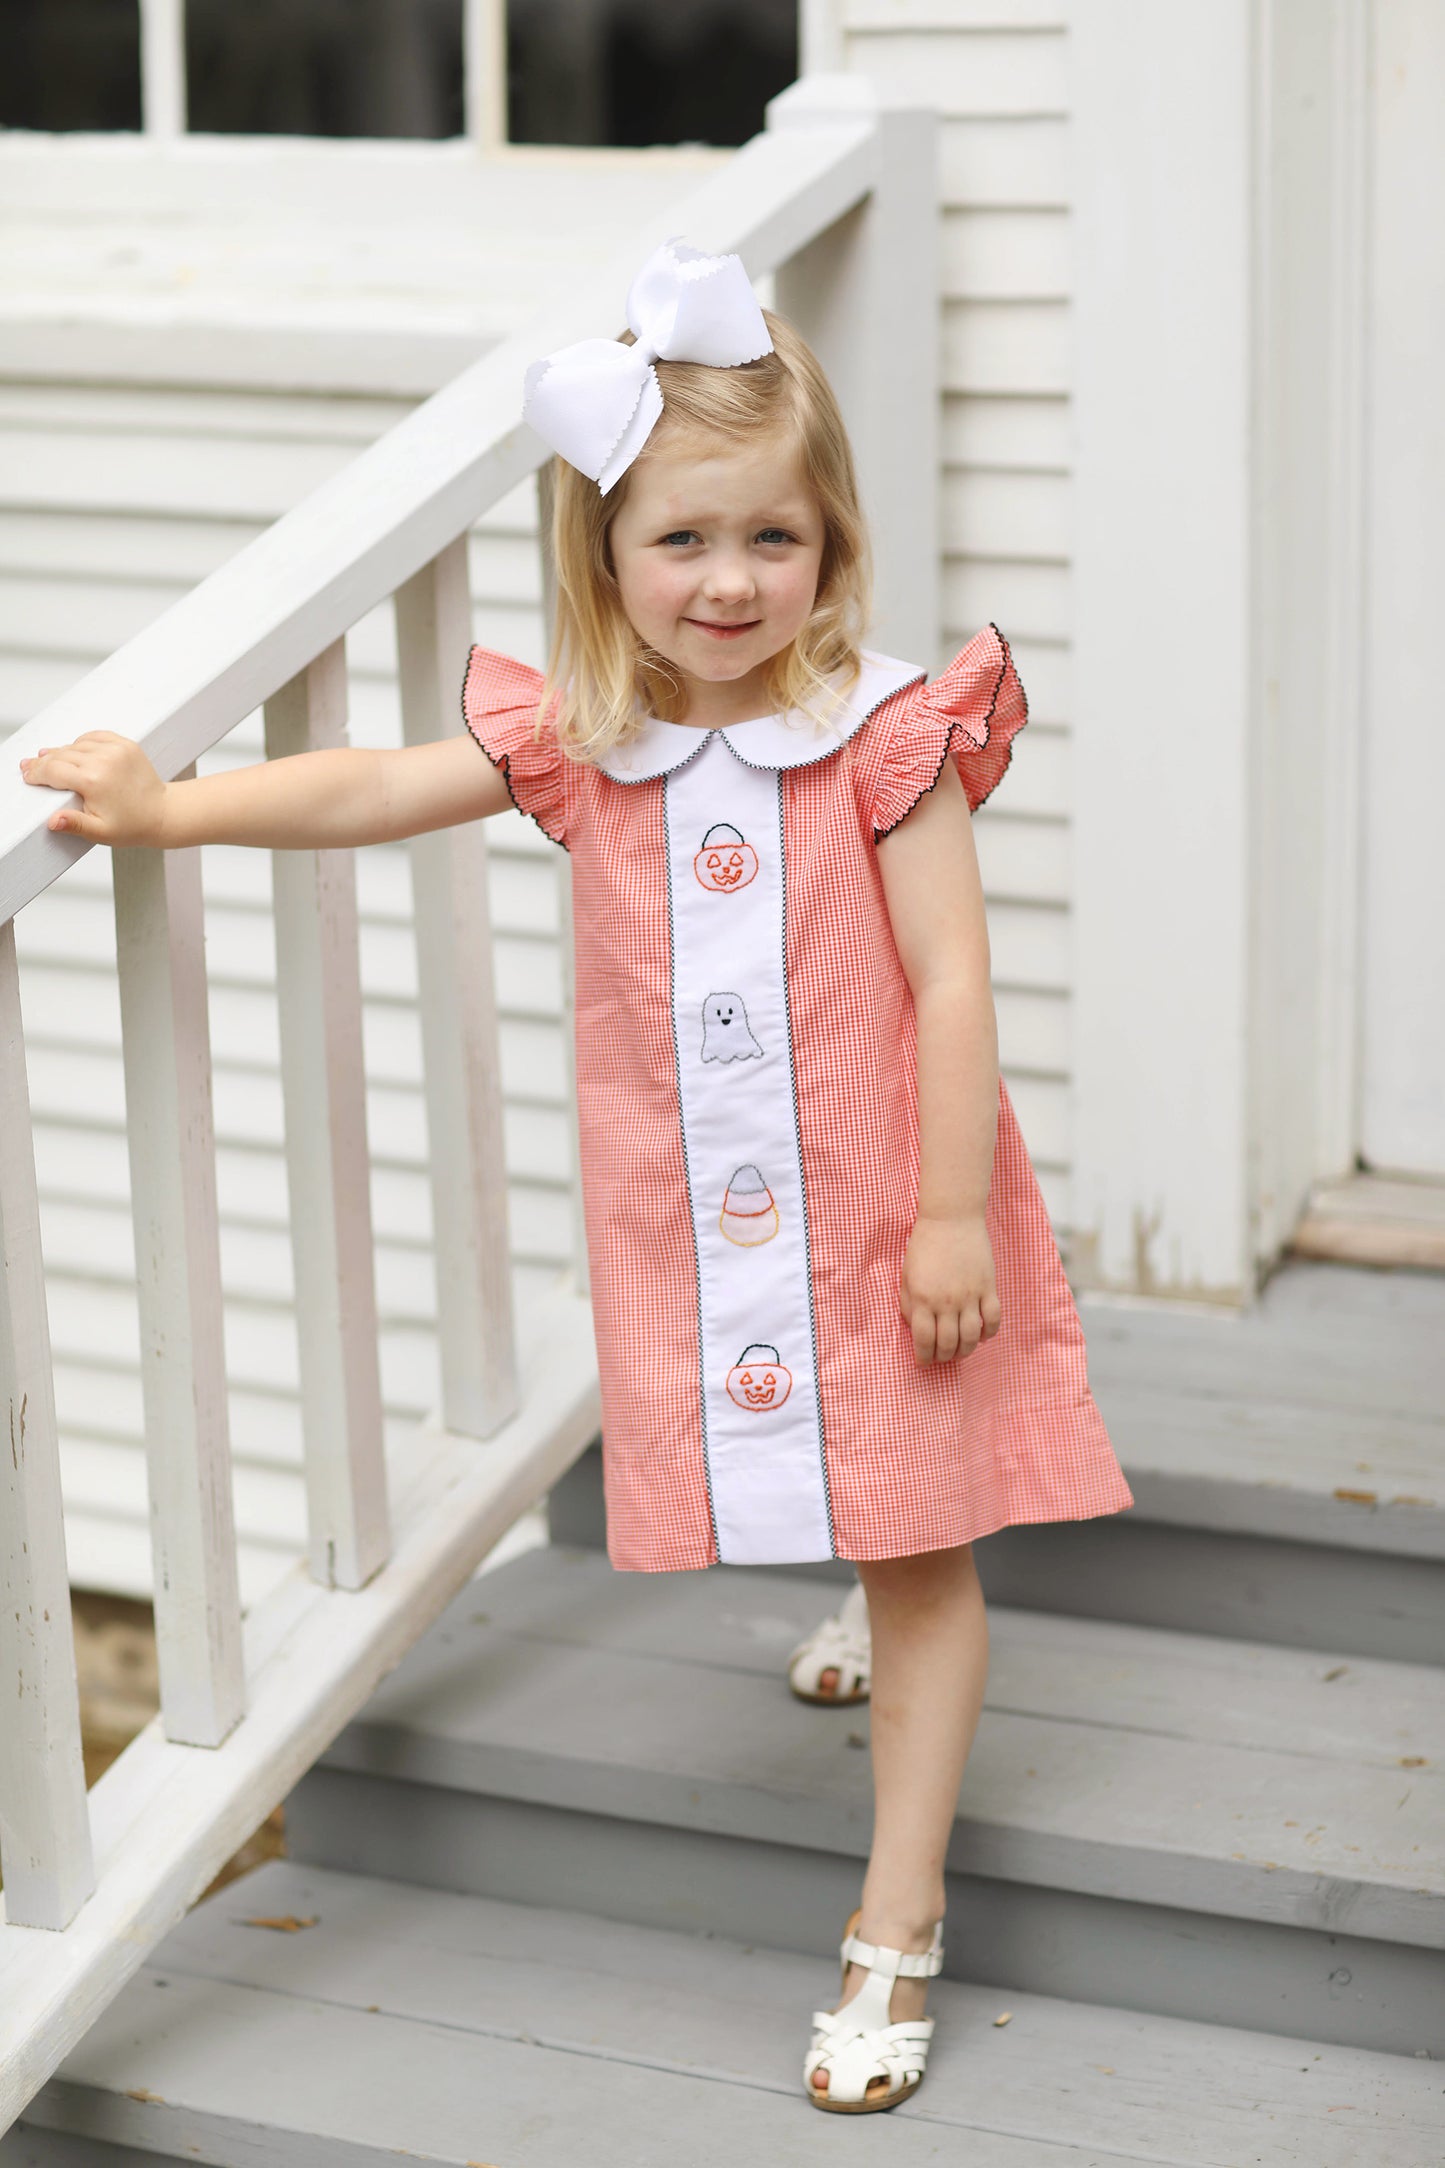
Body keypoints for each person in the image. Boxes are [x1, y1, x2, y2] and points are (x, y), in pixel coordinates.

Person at [18, 239, 1134, 2115]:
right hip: (708, 1228)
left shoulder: (880, 740)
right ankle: (866, 1608)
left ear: (831, 547)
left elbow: (952, 981)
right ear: (605, 559)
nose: (728, 583)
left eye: (772, 540)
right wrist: (167, 805)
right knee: (854, 1488)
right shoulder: (585, 745)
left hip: (888, 1213)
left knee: (920, 1530)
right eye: (681, 540)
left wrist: (951, 1212)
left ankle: (894, 1921)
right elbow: (372, 787)